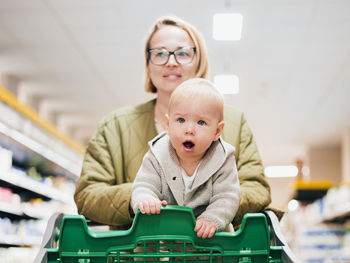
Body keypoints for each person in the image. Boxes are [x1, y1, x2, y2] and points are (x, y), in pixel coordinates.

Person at [74, 15, 279, 230]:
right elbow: (87, 195)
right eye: (160, 54)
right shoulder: (114, 127)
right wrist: (143, 196)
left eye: (183, 53)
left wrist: (213, 207)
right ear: (148, 65)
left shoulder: (234, 122)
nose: (171, 62)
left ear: (199, 62)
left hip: (211, 252)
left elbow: (257, 190)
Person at [131, 78, 239, 238]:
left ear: (217, 131)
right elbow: (144, 184)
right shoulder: (157, 153)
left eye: (201, 122)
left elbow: (227, 196)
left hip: (210, 242)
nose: (189, 129)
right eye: (180, 120)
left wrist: (212, 219)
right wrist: (146, 199)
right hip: (167, 238)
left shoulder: (223, 158)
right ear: (167, 124)